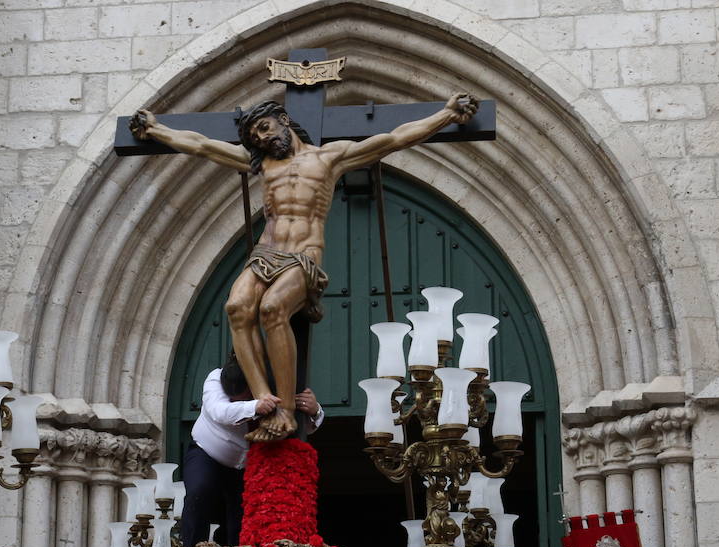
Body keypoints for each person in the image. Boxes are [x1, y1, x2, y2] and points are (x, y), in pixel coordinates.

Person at [130, 93, 477, 442]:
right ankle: (263, 397)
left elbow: (394, 138)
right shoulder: (262, 165)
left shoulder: (329, 158)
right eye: (254, 137)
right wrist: (157, 129)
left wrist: (446, 114)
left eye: (265, 128)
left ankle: (285, 410)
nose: (262, 138)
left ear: (283, 119)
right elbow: (201, 145)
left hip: (303, 255)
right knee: (236, 307)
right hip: (266, 252)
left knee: (272, 308)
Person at [180, 353, 324, 547]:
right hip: (207, 453)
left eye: (245, 397)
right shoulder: (214, 378)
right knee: (199, 491)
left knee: (242, 522)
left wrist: (314, 411)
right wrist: (254, 406)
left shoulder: (275, 385)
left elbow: (296, 425)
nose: (238, 401)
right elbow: (219, 411)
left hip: (248, 467)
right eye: (233, 399)